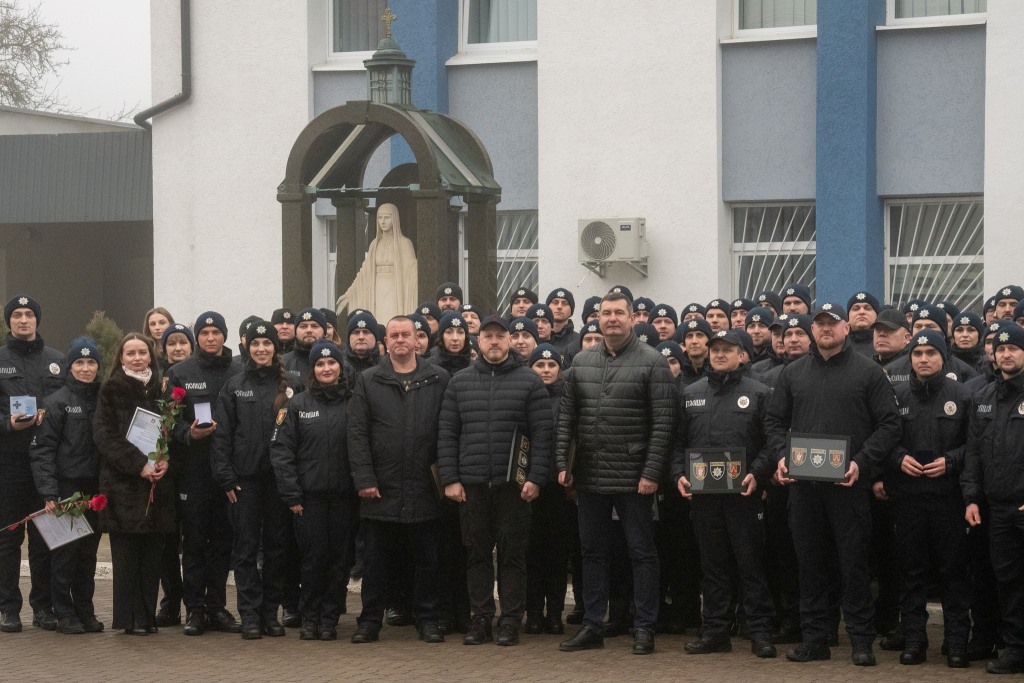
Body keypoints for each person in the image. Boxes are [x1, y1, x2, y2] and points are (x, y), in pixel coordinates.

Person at [768, 303, 901, 666]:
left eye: (832, 323)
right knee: (809, 563)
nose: (825, 329)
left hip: (848, 485)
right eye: (820, 324)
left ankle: (860, 640)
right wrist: (781, 455)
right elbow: (774, 422)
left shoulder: (869, 372)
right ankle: (815, 638)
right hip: (804, 486)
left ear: (846, 328)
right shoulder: (793, 373)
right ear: (813, 330)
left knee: (853, 564)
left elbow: (890, 424)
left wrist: (861, 462)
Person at [555, 292, 676, 656]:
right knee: (592, 553)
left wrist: (652, 472)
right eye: (605, 312)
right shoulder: (581, 361)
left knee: (641, 553)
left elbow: (663, 425)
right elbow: (566, 419)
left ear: (632, 318)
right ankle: (593, 625)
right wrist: (563, 464)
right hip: (590, 475)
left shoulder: (653, 362)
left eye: (619, 312)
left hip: (634, 477)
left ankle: (644, 627)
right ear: (597, 318)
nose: (611, 318)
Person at [437, 315, 552, 647]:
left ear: (510, 340)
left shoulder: (530, 381)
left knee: (513, 556)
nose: (495, 341)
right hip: (472, 486)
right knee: (477, 555)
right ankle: (481, 619)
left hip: (513, 487)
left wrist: (536, 478)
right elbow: (447, 434)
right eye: (488, 336)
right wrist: (450, 479)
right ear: (479, 341)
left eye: (500, 336)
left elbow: (543, 434)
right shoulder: (459, 382)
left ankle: (511, 621)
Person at [673, 329, 777, 658]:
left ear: (742, 355)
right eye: (715, 349)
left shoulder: (760, 393)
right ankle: (715, 631)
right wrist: (678, 474)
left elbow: (772, 443)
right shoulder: (690, 393)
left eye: (727, 349)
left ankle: (760, 632)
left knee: (751, 565)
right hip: (704, 498)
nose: (719, 354)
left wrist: (757, 474)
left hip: (744, 495)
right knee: (712, 566)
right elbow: (677, 443)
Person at [348, 317, 450, 644]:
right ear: (386, 342)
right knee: (376, 562)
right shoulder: (368, 380)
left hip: (425, 486)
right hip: (381, 487)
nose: (401, 339)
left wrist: (446, 478)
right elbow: (357, 434)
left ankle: (428, 619)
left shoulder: (439, 378)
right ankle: (369, 621)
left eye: (407, 334)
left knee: (427, 560)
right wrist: (364, 478)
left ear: (418, 340)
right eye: (394, 335)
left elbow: (448, 431)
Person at [882, 330, 971, 668]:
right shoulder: (896, 395)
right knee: (912, 572)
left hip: (949, 499)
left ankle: (957, 642)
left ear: (943, 357)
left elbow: (975, 446)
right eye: (917, 354)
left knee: (953, 573)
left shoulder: (962, 395)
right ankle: (914, 641)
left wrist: (952, 461)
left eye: (931, 353)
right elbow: (885, 438)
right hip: (909, 499)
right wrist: (898, 458)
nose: (923, 359)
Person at [210, 322, 298, 639]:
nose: (261, 349)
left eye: (267, 343)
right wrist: (226, 478)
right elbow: (222, 436)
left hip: (279, 482)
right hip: (244, 482)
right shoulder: (235, 386)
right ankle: (249, 614)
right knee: (245, 550)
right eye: (256, 343)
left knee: (277, 549)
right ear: (247, 347)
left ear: (275, 347)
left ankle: (270, 614)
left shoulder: (292, 385)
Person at [270, 339, 355, 642]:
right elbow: (282, 452)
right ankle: (310, 618)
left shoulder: (354, 403)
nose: (326, 368)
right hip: (309, 500)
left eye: (332, 363)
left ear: (340, 368)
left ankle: (329, 619)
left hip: (345, 499)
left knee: (339, 561)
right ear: (312, 369)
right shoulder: (297, 405)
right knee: (313, 560)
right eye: (320, 364)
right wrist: (292, 495)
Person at [162, 312, 242, 636]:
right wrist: (188, 434)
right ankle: (194, 608)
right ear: (198, 337)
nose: (210, 338)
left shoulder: (239, 371)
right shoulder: (179, 373)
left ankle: (217, 606)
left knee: (223, 542)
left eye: (216, 332)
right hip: (193, 471)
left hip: (228, 472)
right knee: (194, 542)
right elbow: (168, 422)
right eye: (205, 333)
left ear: (224, 336)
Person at [92, 332, 175, 635]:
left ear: (151, 356)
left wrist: (165, 459)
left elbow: (170, 431)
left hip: (156, 484)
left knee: (152, 556)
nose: (137, 358)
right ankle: (129, 619)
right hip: (123, 485)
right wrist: (138, 464)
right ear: (121, 357)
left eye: (142, 352)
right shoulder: (111, 388)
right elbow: (104, 435)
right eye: (131, 353)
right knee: (127, 556)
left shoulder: (162, 388)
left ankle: (147, 617)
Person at [29, 337, 105, 635]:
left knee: (88, 555)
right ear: (69, 366)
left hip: (95, 489)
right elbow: (42, 451)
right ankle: (64, 612)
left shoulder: (104, 400)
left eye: (91, 362)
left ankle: (85, 610)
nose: (86, 368)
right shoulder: (56, 402)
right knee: (65, 554)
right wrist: (49, 493)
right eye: (79, 362)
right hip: (66, 488)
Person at [0, 295, 65, 633]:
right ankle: (8, 608)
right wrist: (8, 424)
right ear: (9, 321)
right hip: (9, 464)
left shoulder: (57, 361)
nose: (23, 320)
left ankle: (43, 607)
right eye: (17, 315)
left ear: (37, 320)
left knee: (44, 538)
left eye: (29, 314)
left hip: (47, 465)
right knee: (9, 540)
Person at [963, 322, 1024, 675]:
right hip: (998, 509)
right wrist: (971, 498)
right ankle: (1015, 649)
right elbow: (973, 453)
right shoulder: (983, 398)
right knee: (1008, 583)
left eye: (1013, 348)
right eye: (1001, 349)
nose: (1006, 354)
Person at [525, 343, 571, 636]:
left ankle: (554, 613)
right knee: (531, 553)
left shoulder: (568, 400)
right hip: (529, 486)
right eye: (539, 365)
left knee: (557, 553)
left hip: (559, 488)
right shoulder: (524, 397)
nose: (545, 370)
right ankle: (532, 613)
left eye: (551, 365)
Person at [335, 203, 418, 324]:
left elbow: (412, 269)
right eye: (380, 217)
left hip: (395, 289)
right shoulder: (375, 244)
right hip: (377, 289)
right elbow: (364, 273)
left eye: (387, 217)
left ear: (394, 219)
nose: (383, 221)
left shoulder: (404, 243)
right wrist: (349, 295)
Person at [283, 308, 327, 387]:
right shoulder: (283, 363)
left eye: (314, 326)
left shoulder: (336, 363)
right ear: (296, 333)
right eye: (303, 326)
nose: (309, 330)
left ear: (324, 333)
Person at [846, 292, 880, 357]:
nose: (861, 312)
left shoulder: (884, 344)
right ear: (848, 317)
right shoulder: (839, 346)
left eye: (868, 308)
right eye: (856, 309)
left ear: (877, 316)